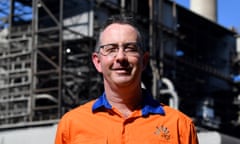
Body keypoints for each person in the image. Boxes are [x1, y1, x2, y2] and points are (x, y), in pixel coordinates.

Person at [55, 14, 199, 144]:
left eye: (130, 48)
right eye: (111, 49)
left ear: (144, 61)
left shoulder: (179, 126)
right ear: (98, 62)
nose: (120, 57)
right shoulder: (72, 125)